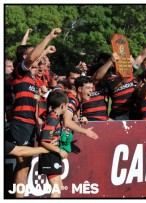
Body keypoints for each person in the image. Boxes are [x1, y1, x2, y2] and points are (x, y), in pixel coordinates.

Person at [10, 28, 62, 198]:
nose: (36, 57)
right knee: (23, 165)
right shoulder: (20, 72)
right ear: (25, 58)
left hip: (30, 123)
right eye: (32, 53)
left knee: (26, 166)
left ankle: (20, 196)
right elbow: (33, 57)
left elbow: (36, 57)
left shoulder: (32, 79)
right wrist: (49, 36)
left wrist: (37, 123)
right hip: (20, 122)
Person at [38, 90, 69, 198]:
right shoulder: (52, 119)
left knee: (58, 186)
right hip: (50, 155)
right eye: (67, 105)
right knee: (56, 189)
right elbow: (44, 141)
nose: (68, 108)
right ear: (62, 106)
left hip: (53, 155)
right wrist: (60, 151)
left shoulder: (55, 117)